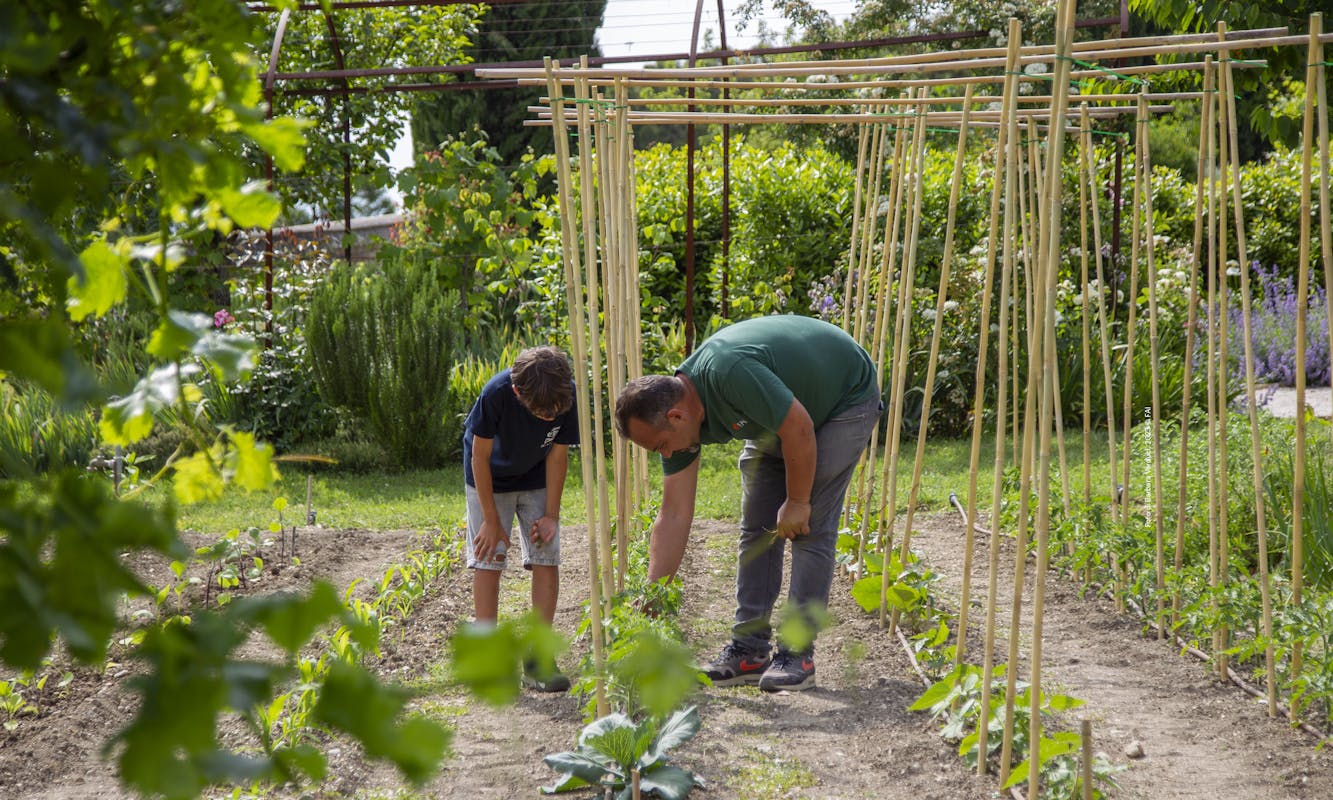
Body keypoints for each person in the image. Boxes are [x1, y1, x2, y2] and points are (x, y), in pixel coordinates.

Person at [614, 315, 881, 692]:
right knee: (756, 527)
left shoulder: (729, 373)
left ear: (676, 416)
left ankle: (797, 654)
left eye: (660, 446)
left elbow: (800, 428)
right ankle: (749, 651)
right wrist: (654, 593)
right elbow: (673, 513)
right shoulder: (678, 422)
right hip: (781, 416)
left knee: (809, 526)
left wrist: (797, 500)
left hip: (842, 397)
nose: (664, 454)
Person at [463, 345, 579, 692]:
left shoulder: (564, 395)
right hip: (488, 478)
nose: (549, 417)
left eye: (554, 413)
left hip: (535, 477)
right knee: (488, 557)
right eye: (542, 412)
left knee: (547, 556)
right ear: (518, 393)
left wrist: (551, 516)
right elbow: (478, 457)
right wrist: (490, 519)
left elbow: (558, 458)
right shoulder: (496, 393)